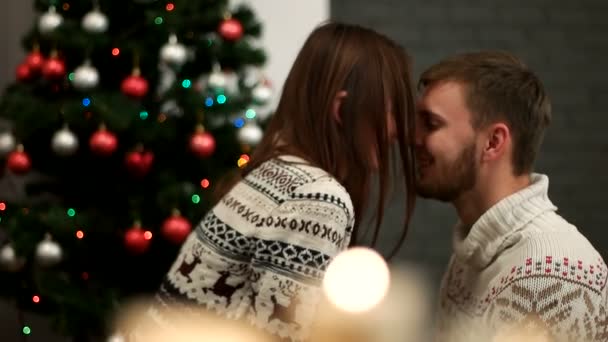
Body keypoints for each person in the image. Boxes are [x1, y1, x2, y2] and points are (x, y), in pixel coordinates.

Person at [140, 22, 418, 341]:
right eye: (393, 111)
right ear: (342, 110)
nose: (398, 132)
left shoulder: (276, 170)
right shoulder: (318, 200)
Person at [414, 50, 608, 341]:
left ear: (493, 142)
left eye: (430, 124)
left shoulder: (548, 272)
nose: (412, 137)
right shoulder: (474, 254)